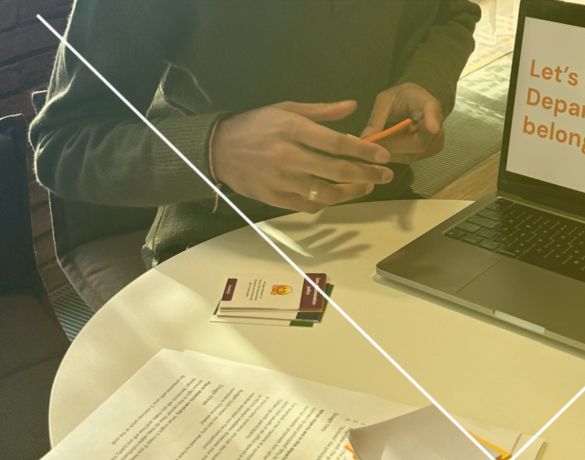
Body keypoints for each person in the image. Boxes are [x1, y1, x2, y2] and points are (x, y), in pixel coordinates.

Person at [31, 0, 481, 264]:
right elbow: (63, 143)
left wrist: (426, 79)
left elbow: (451, 13)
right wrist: (214, 149)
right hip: (219, 237)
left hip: (383, 213)